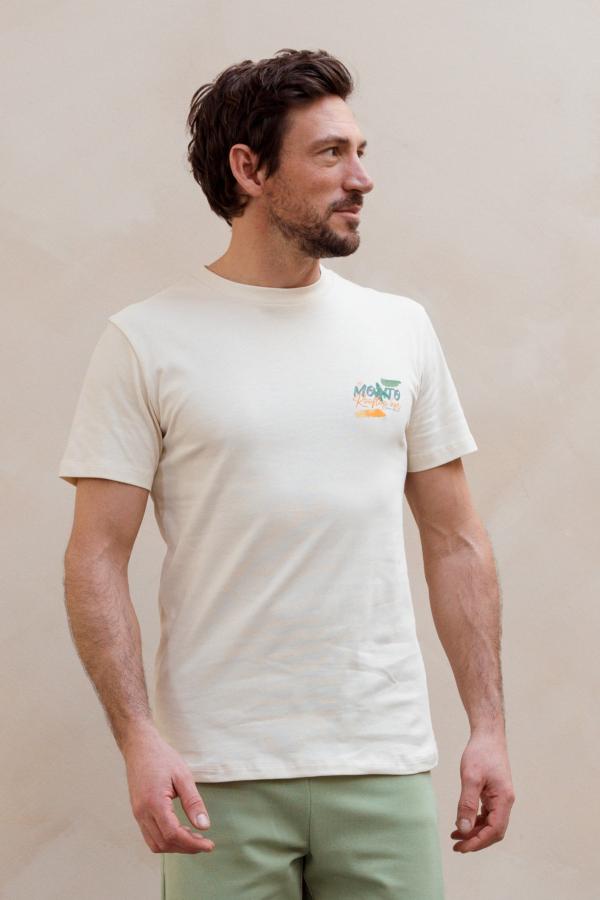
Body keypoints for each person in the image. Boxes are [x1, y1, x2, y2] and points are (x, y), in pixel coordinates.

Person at [59, 48, 515, 900]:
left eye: (361, 151)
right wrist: (138, 738)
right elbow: (96, 556)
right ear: (250, 169)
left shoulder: (401, 330)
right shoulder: (145, 340)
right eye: (331, 153)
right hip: (218, 773)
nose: (362, 178)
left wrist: (487, 726)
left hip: (381, 762)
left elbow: (456, 540)